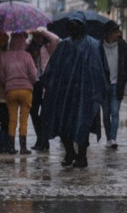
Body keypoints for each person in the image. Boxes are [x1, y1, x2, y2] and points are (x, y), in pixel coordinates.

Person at [40, 11, 109, 168]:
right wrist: (49, 83)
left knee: (83, 124)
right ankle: (70, 152)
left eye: (76, 24)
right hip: (66, 93)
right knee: (64, 125)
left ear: (83, 26)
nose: (73, 28)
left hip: (86, 93)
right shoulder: (64, 45)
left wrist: (100, 88)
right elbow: (54, 68)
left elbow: (100, 68)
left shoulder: (93, 45)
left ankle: (82, 156)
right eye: (71, 25)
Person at [0, 32, 37, 155]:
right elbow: (34, 75)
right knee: (24, 120)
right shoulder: (27, 56)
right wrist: (30, 82)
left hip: (10, 91)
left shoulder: (5, 56)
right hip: (26, 90)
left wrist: (8, 82)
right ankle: (23, 147)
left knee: (12, 119)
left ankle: (10, 147)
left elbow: (0, 75)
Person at [27, 27, 60, 152]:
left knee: (45, 114)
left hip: (47, 83)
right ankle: (41, 139)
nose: (37, 38)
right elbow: (22, 43)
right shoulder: (29, 48)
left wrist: (42, 31)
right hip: (35, 83)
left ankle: (43, 140)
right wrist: (30, 32)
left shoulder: (48, 47)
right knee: (34, 112)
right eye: (35, 36)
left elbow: (55, 38)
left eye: (39, 36)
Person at [101, 21, 127, 149]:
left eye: (118, 32)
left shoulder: (122, 45)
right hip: (103, 84)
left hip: (117, 84)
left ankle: (113, 138)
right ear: (108, 33)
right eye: (114, 32)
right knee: (105, 113)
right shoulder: (100, 46)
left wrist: (124, 79)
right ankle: (108, 137)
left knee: (115, 112)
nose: (117, 34)